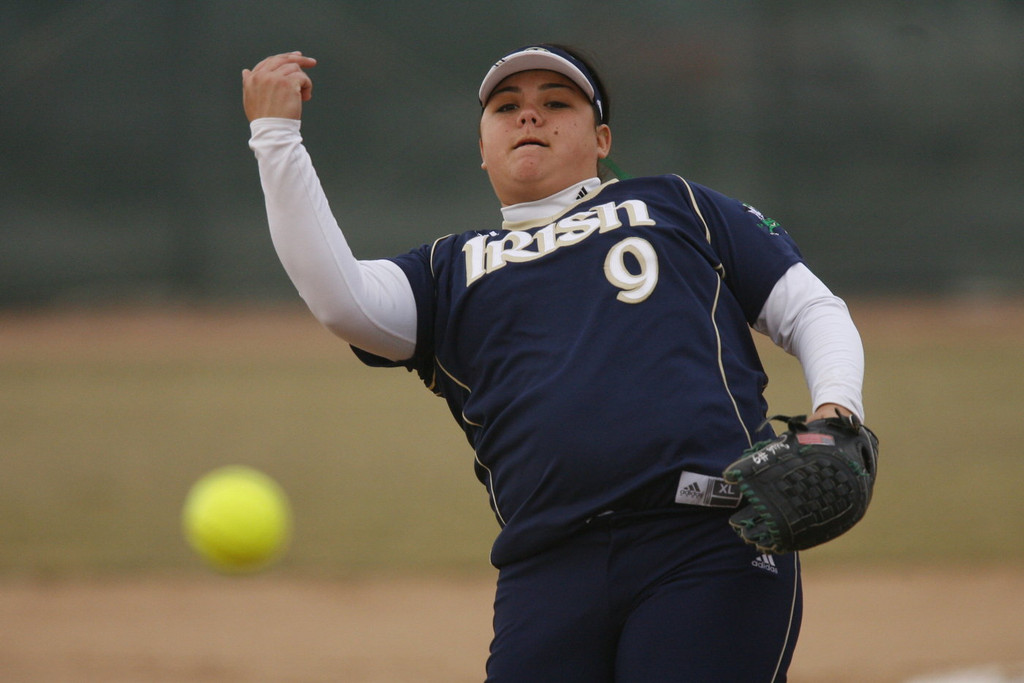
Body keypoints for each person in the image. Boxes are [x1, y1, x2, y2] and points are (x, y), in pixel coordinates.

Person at [242, 44, 865, 682]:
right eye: (507, 106)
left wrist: (837, 413)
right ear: (481, 148)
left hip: (706, 538)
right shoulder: (446, 270)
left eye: (555, 103)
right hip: (546, 568)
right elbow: (340, 299)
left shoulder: (676, 206)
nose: (529, 117)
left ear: (601, 138)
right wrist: (275, 135)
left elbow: (810, 307)